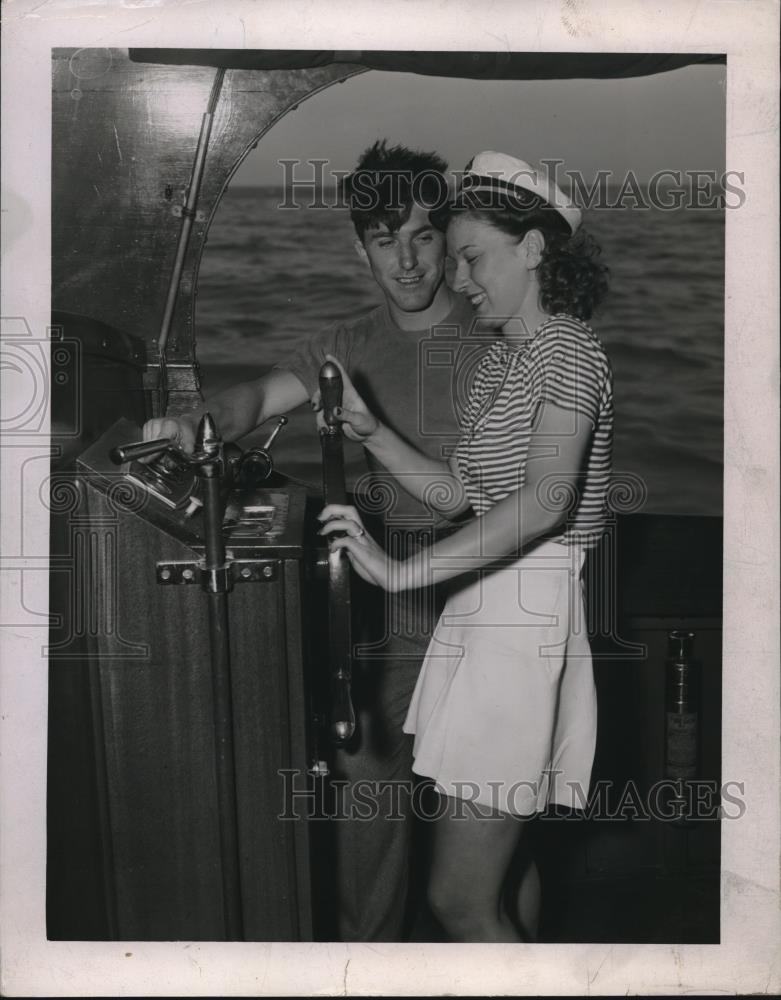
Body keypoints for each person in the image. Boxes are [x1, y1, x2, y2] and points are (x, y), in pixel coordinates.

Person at [142, 139, 477, 941]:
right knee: (369, 806)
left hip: (489, 587)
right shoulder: (350, 345)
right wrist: (193, 425)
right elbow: (256, 397)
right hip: (387, 592)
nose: (406, 260)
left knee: (487, 840)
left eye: (423, 236)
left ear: (448, 236)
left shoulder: (499, 333)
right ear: (358, 246)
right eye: (385, 239)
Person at [319, 150, 613, 942]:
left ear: (534, 249)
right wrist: (372, 430)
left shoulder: (566, 350)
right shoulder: (505, 364)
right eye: (456, 260)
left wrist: (398, 568)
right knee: (504, 876)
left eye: (473, 257)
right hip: (481, 614)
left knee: (458, 900)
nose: (460, 276)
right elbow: (459, 493)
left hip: (522, 618)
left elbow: (546, 502)